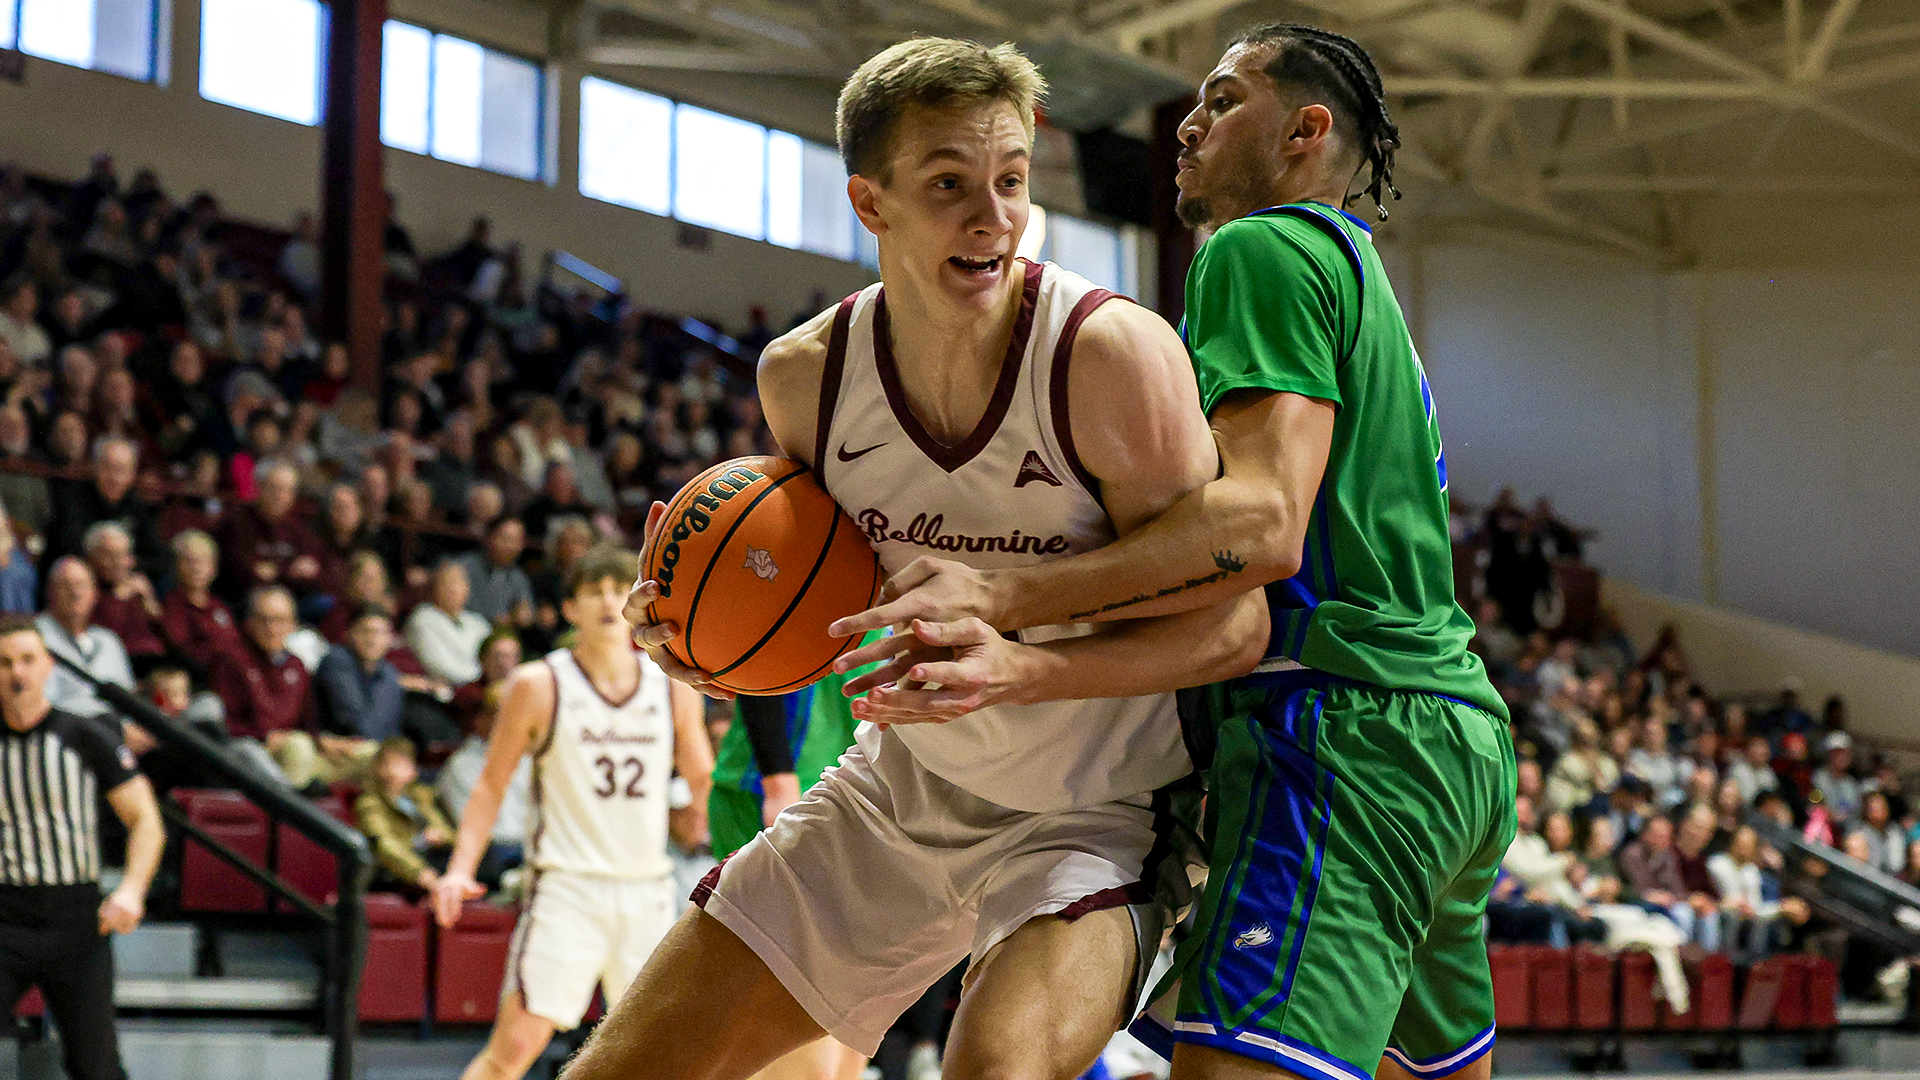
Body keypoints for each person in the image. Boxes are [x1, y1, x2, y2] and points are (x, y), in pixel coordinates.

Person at [814, 25, 1514, 1080]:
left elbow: (1261, 525)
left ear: (1304, 131)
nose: (1188, 125)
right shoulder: (1353, 268)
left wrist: (1006, 596)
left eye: (1224, 101)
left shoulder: (1261, 247)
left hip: (1334, 726)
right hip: (1450, 731)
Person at [594, 38, 1263, 1080]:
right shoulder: (806, 380)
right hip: (902, 785)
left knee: (994, 1069)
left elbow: (1234, 626)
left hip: (1102, 808)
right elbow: (823, 599)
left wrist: (1024, 666)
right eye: (950, 184)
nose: (994, 217)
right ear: (871, 203)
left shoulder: (1108, 356)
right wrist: (706, 639)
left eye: (1011, 181)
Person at [432, 547, 713, 1080]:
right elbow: (490, 785)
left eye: (618, 589)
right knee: (513, 1049)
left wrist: (720, 835)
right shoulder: (538, 684)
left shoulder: (671, 684)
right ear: (569, 608)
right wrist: (459, 868)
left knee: (660, 1061)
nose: (608, 602)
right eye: (593, 591)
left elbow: (702, 778)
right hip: (567, 890)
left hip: (647, 890)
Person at [0, 614, 163, 1080]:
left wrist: (131, 890)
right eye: (5, 663)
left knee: (96, 1066)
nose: (17, 673)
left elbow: (146, 821)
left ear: (48, 665)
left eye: (27, 659)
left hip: (75, 916)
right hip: (4, 914)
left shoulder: (84, 735)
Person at [353, 737, 465, 892]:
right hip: (395, 870)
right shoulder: (370, 803)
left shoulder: (421, 795)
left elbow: (449, 833)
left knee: (483, 864)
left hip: (432, 858)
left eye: (407, 763)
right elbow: (385, 845)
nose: (403, 769)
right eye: (395, 763)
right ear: (379, 767)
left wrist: (439, 836)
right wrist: (419, 870)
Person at [404, 559, 491, 687]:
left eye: (458, 582)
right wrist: (478, 680)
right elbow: (438, 666)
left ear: (467, 589)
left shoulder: (478, 623)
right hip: (444, 691)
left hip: (481, 686)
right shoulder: (423, 618)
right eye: (447, 583)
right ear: (434, 588)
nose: (452, 589)